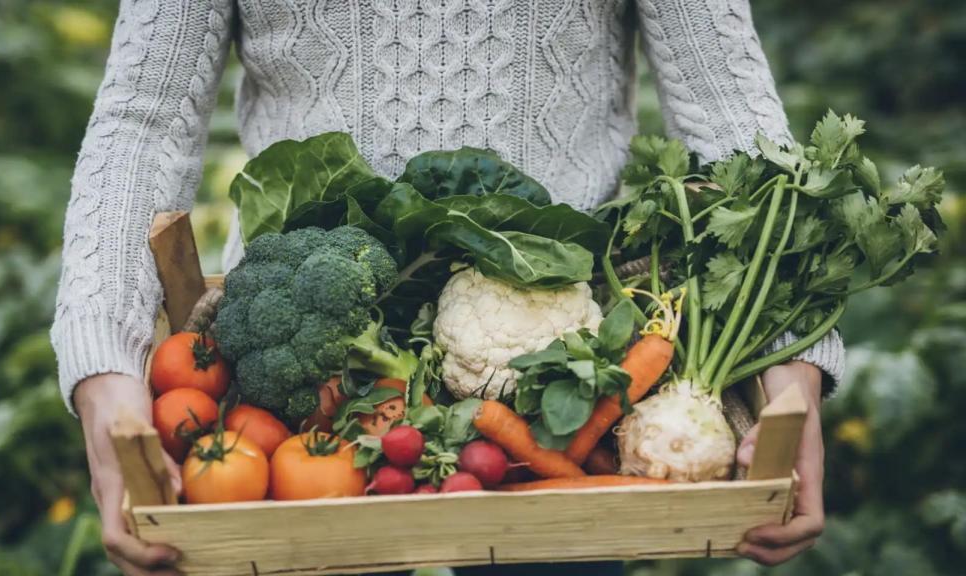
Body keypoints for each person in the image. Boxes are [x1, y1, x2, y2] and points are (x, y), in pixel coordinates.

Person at [52, 1, 844, 574]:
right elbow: (143, 121)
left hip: (560, 413)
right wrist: (103, 362)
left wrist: (788, 359)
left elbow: (728, 109)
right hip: (292, 408)